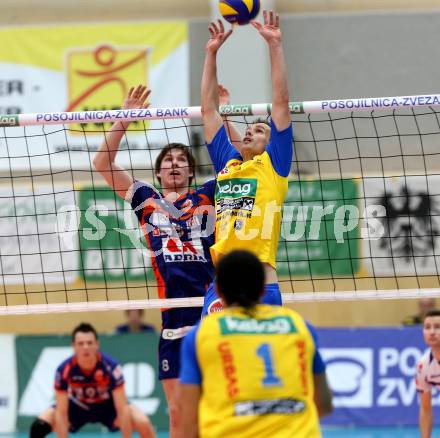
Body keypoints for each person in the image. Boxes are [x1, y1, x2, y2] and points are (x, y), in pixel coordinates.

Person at [93, 85, 216, 438]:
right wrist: (125, 118)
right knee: (177, 415)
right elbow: (102, 163)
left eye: (181, 161)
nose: (174, 164)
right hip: (174, 321)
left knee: (213, 413)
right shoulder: (146, 199)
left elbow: (236, 160)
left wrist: (221, 113)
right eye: (167, 162)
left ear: (191, 174)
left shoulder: (207, 194)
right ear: (159, 174)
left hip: (210, 316)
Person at [180, 250, 333, 438]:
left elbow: (187, 422)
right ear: (262, 289)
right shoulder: (299, 325)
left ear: (218, 291)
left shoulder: (202, 333)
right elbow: (324, 404)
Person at [200, 11, 293, 315]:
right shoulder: (229, 164)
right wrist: (212, 54)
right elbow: (209, 112)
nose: (252, 130)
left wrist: (274, 46)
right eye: (250, 128)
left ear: (271, 142)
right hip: (222, 285)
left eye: (261, 129)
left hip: (261, 283)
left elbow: (280, 103)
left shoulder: (273, 165)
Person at [29, 323, 155, 438]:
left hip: (107, 406)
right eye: (81, 343)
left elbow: (122, 409)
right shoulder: (64, 369)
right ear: (73, 346)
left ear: (97, 345)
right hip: (77, 406)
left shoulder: (111, 367)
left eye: (90, 343)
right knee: (38, 427)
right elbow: (61, 413)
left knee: (143, 423)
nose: (86, 347)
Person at [416, 309, 440, 438]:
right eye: (427, 327)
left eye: (437, 327)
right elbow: (425, 409)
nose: (431, 332)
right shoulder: (423, 365)